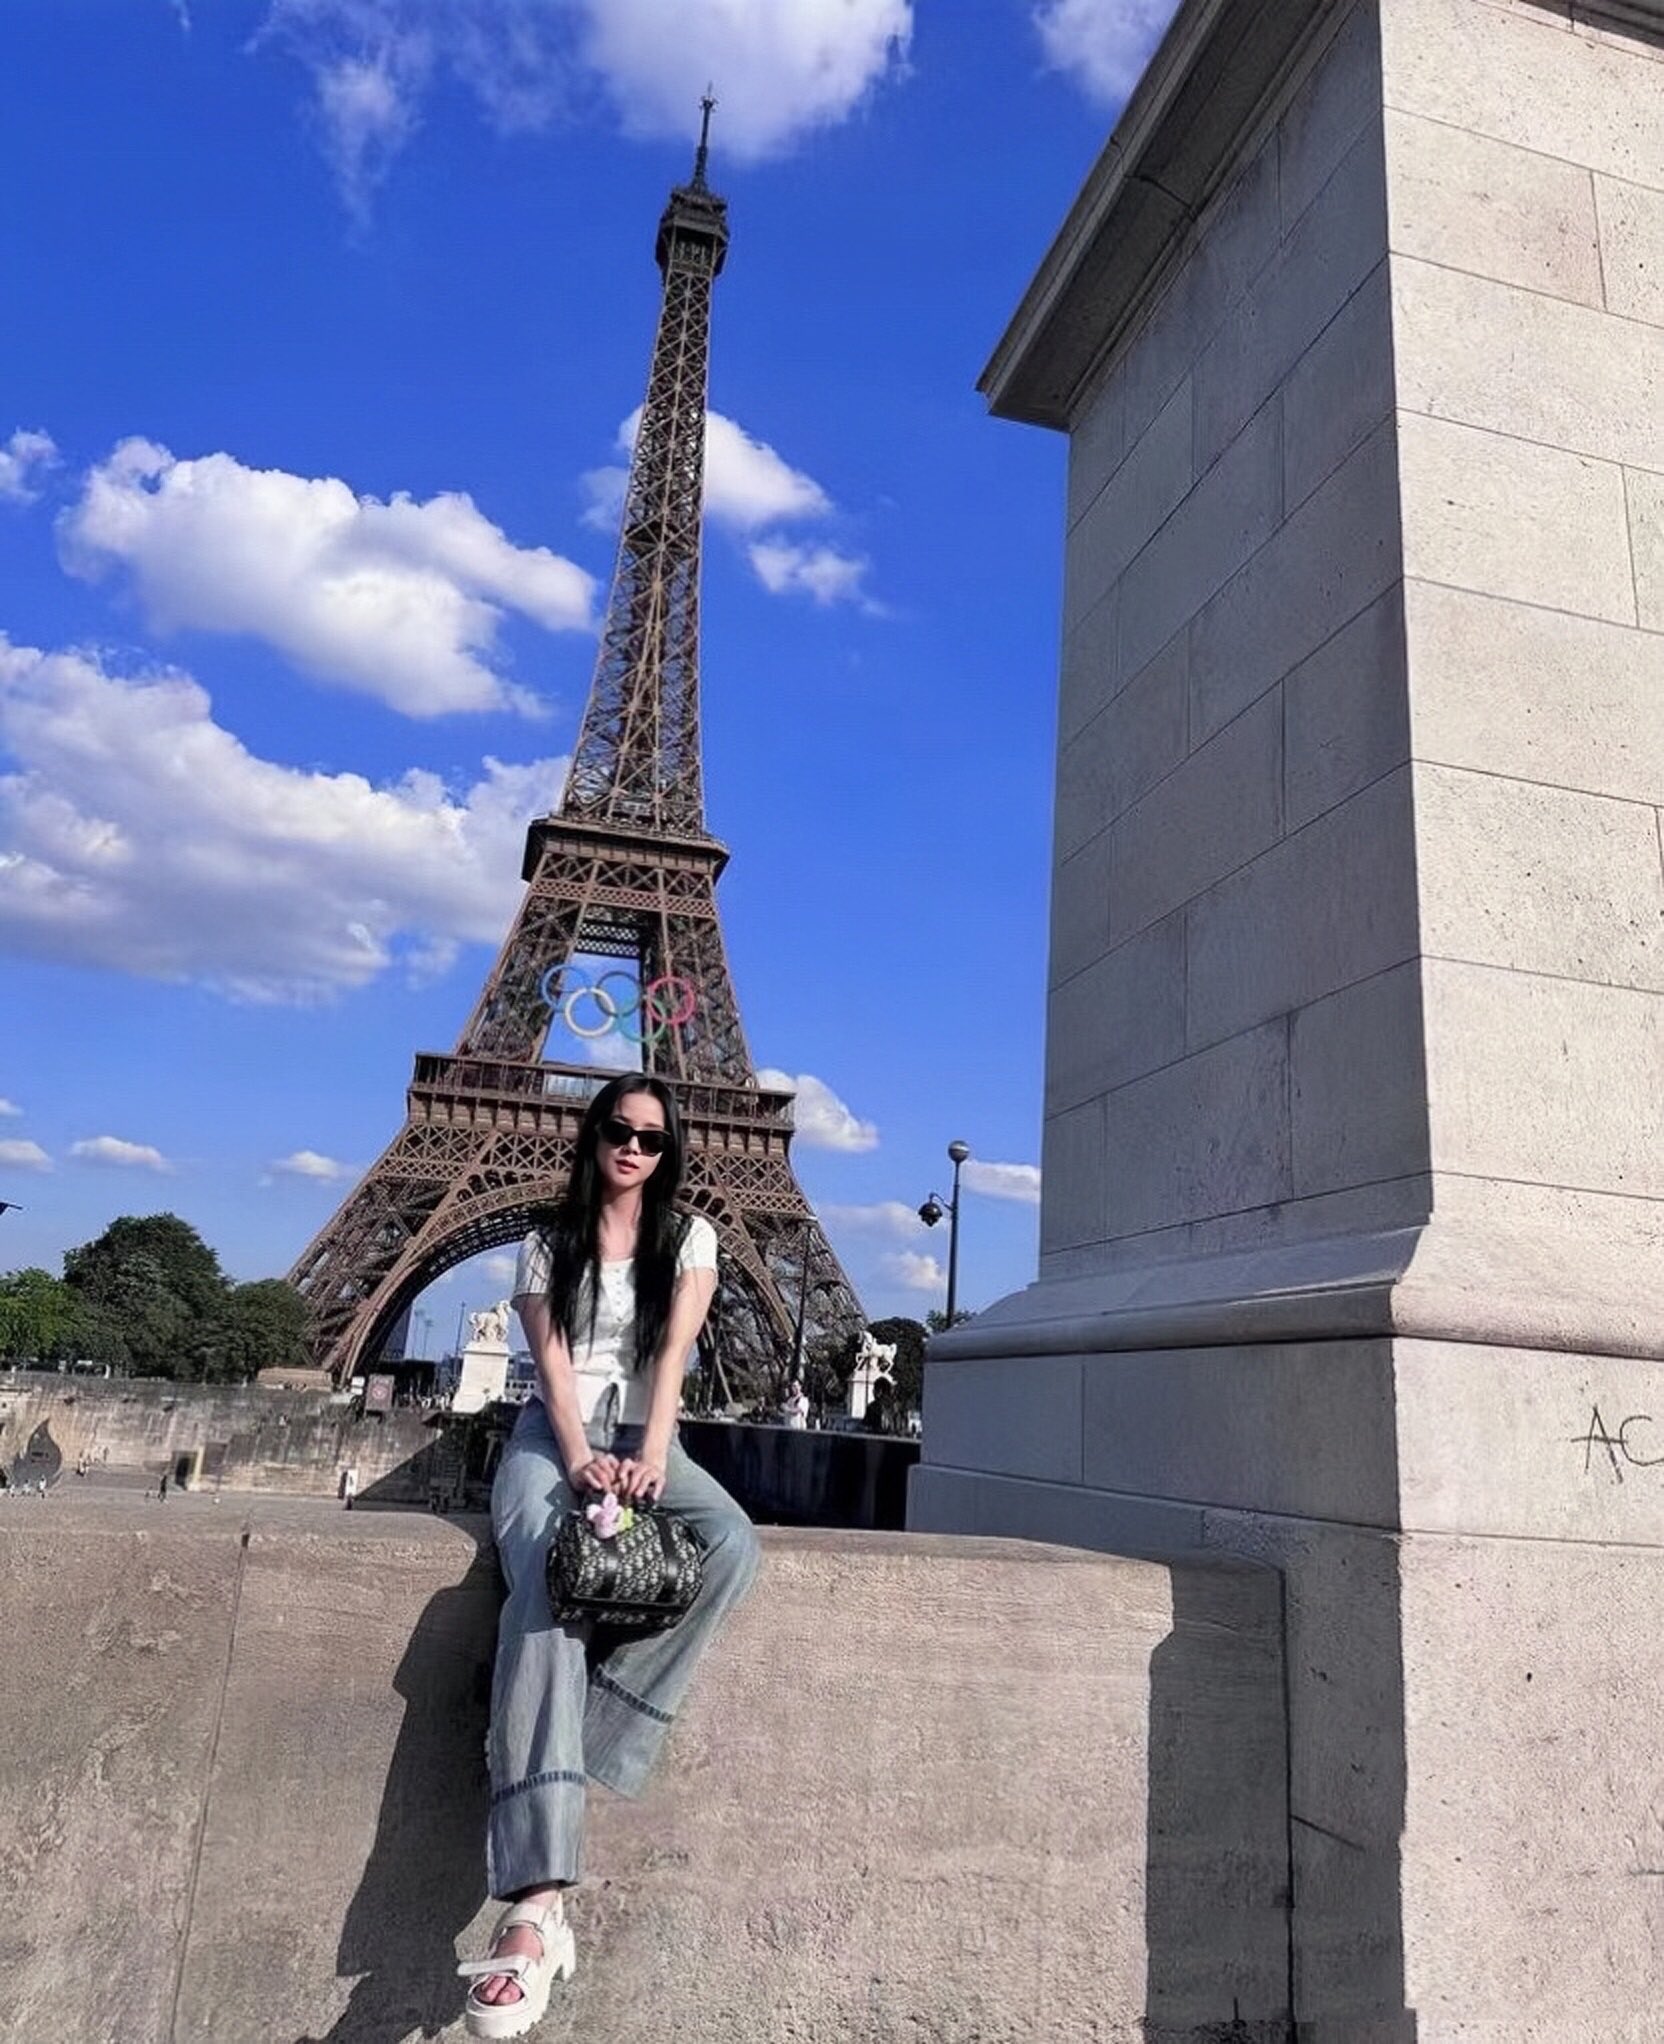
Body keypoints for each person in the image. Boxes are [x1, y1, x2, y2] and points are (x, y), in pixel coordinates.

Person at [458, 1075, 760, 2039]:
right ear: (594, 1136)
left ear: (670, 1153)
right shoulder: (548, 1241)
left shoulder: (692, 1238)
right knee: (549, 1580)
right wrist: (580, 1456)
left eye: (653, 1138)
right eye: (619, 1130)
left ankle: (559, 1740)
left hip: (645, 1436)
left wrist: (650, 1457)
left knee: (731, 1544)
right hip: (552, 1438)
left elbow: (670, 1358)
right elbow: (552, 1371)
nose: (634, 1147)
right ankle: (536, 1906)